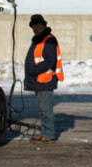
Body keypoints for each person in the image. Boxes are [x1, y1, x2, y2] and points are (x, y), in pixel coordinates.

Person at [24, 14, 63, 143]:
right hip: (39, 80)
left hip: (45, 80)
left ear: (43, 25)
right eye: (33, 26)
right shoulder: (39, 40)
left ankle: (49, 134)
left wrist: (34, 70)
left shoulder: (49, 40)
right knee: (42, 109)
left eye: (37, 25)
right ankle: (45, 132)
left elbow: (50, 61)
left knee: (46, 109)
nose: (35, 28)